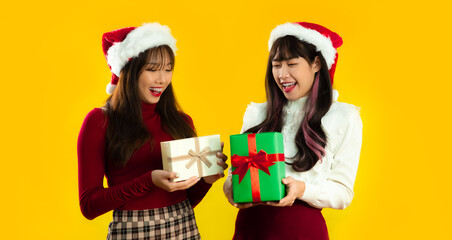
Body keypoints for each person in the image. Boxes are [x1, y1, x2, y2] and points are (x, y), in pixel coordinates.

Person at [78, 22, 227, 240]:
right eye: (152, 69)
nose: (162, 79)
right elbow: (89, 205)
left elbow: (187, 199)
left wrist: (207, 180)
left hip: (183, 227)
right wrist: (149, 180)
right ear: (129, 71)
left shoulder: (181, 121)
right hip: (132, 232)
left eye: (168, 69)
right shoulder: (99, 121)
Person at [223, 22, 363, 239]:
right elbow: (234, 177)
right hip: (250, 229)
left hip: (302, 230)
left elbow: (343, 193)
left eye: (292, 64)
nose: (282, 74)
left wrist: (302, 190)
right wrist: (232, 190)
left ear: (316, 63)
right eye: (276, 65)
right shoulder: (257, 114)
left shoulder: (343, 117)